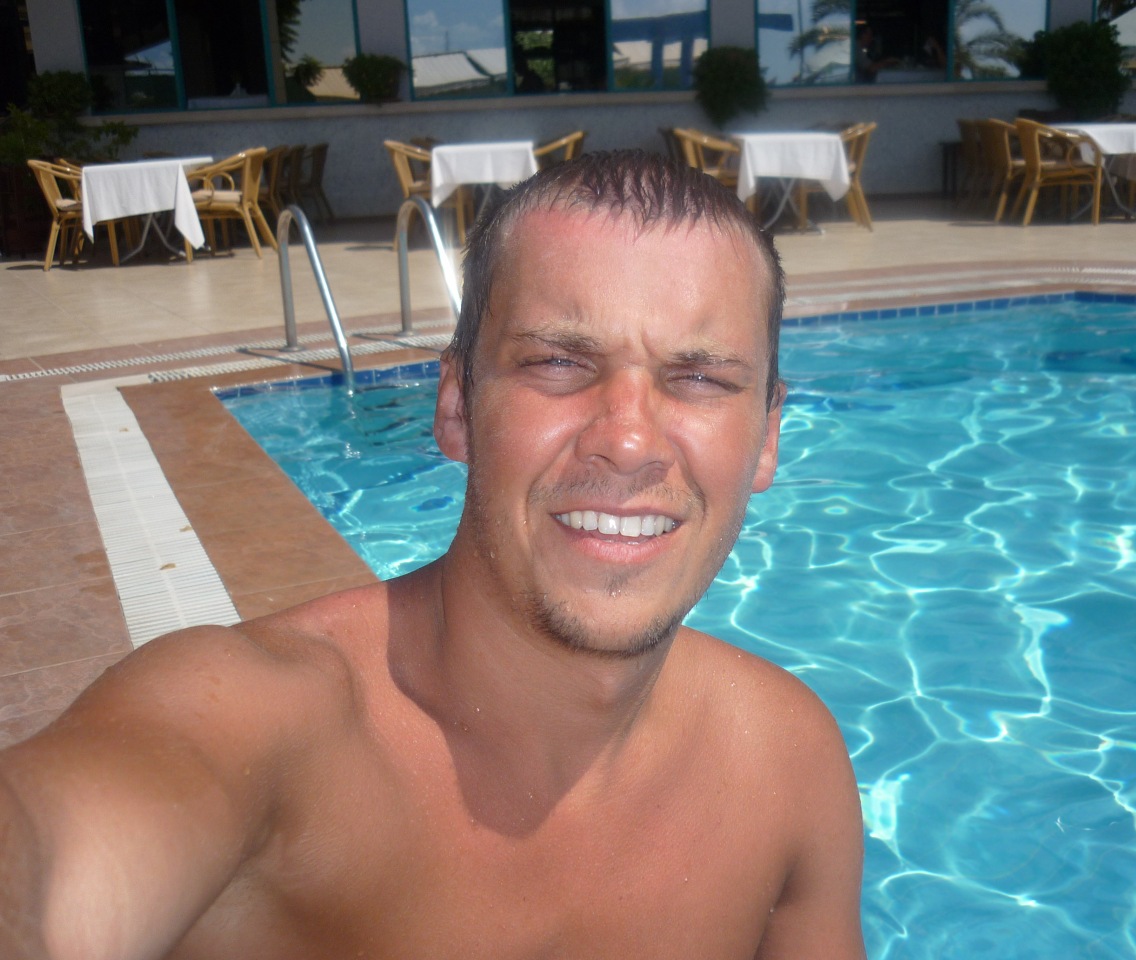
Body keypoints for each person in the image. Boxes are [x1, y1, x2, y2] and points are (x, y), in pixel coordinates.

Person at [0, 150, 865, 959]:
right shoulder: (265, 728)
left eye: (701, 378)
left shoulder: (786, 763)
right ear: (456, 406)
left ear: (766, 438)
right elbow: (49, 848)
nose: (629, 439)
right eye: (559, 363)